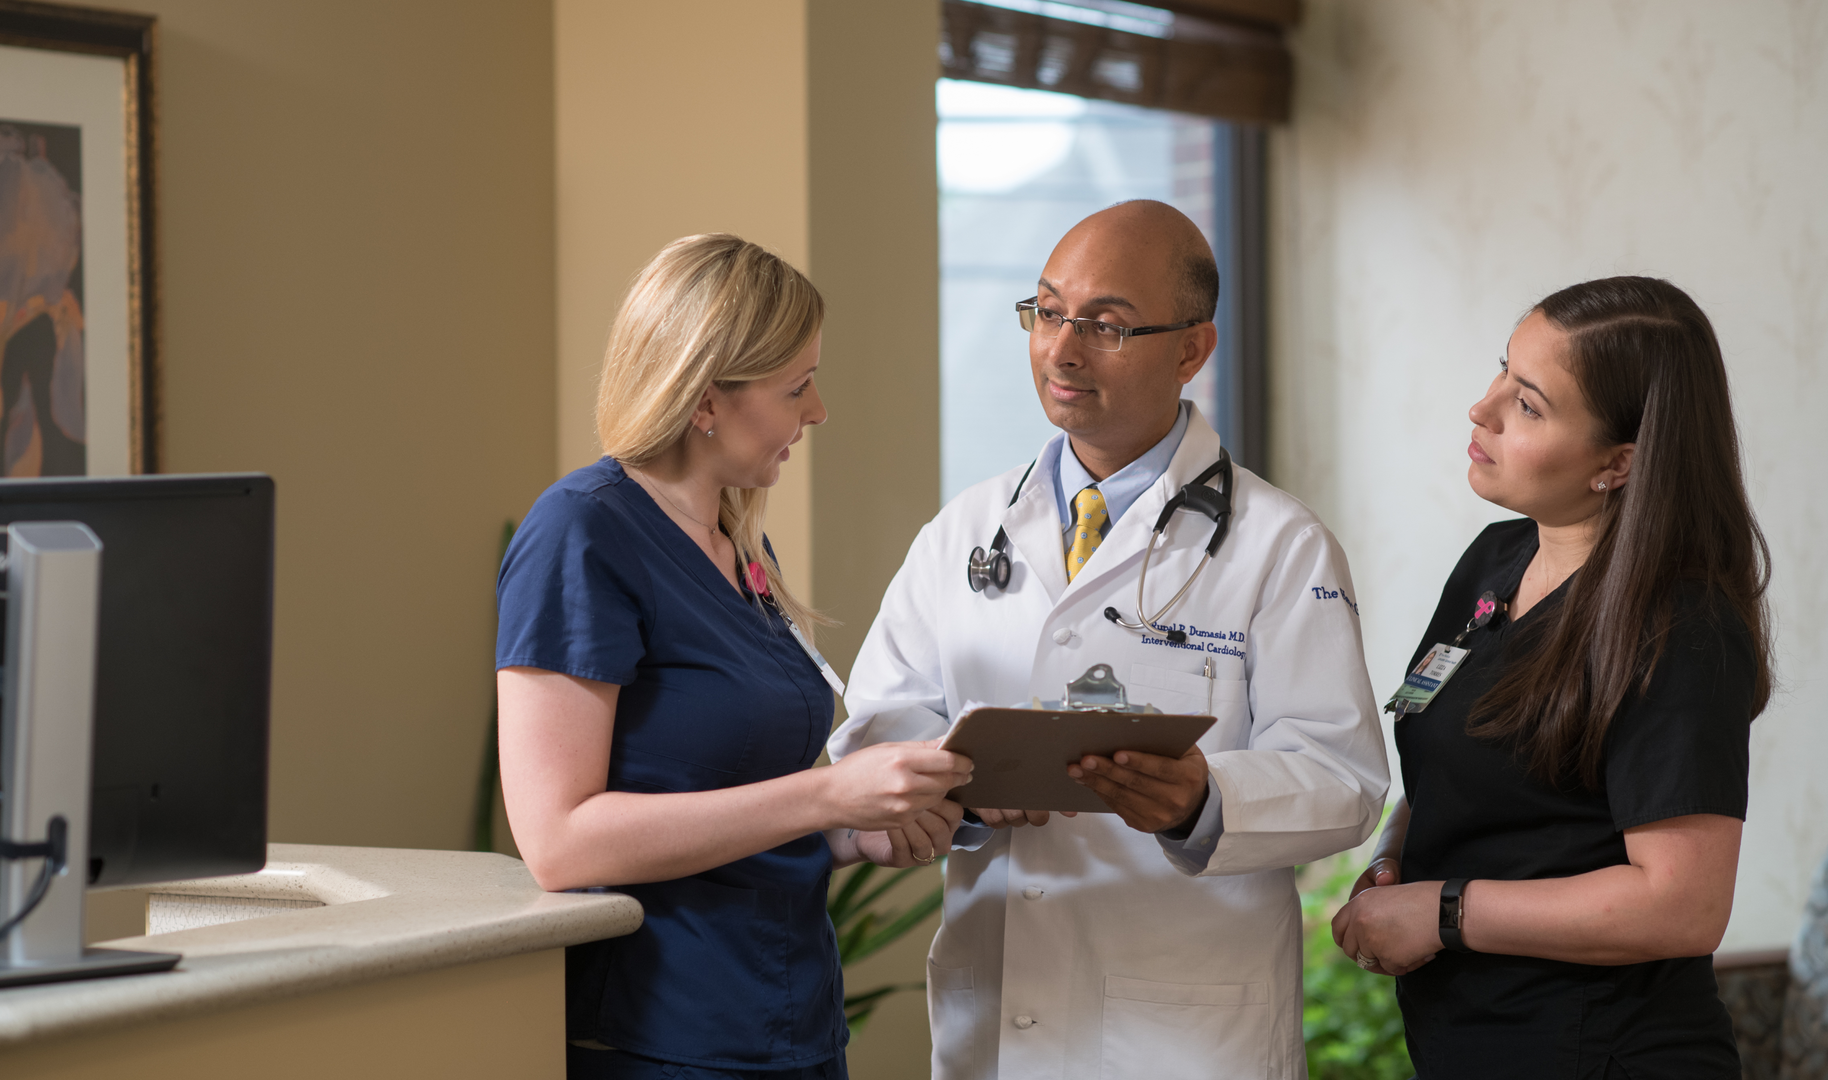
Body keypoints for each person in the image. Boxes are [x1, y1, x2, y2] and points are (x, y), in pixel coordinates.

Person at [828, 200, 1391, 1078]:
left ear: (1192, 349)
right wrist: (960, 792)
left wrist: (1200, 800)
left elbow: (1343, 780)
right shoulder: (968, 529)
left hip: (1185, 1035)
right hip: (996, 1022)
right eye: (1048, 311)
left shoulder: (1281, 544)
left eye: (1108, 326)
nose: (1062, 348)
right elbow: (872, 736)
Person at [496, 234, 973, 1080]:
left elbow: (733, 801)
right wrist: (829, 790)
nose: (818, 410)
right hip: (664, 1037)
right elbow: (560, 842)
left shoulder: (738, 548)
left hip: (790, 1024)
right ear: (707, 396)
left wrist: (854, 834)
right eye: (797, 387)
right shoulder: (583, 533)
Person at [1332, 276, 1770, 1078]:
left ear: (1620, 462)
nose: (1483, 407)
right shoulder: (1497, 559)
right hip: (1468, 1042)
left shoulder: (1680, 625)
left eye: (1528, 405)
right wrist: (1397, 857)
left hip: (1603, 1053)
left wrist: (1442, 910)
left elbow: (1683, 906)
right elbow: (1469, 769)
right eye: (1503, 370)